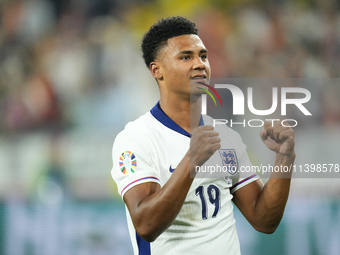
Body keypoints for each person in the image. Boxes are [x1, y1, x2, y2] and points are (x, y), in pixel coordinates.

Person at [111, 16, 295, 255]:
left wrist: (284, 159)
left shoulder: (226, 137)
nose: (200, 64)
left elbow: (264, 220)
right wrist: (192, 161)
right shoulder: (136, 139)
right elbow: (146, 225)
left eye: (203, 56)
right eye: (186, 57)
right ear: (157, 70)